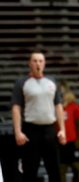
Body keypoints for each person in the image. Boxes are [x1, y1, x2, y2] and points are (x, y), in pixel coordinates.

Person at [11, 51, 66, 182]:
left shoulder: (51, 82)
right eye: (35, 61)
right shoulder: (22, 83)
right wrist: (18, 132)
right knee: (30, 170)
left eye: (41, 61)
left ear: (44, 64)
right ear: (29, 63)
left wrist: (62, 130)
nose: (38, 64)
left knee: (55, 170)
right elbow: (16, 108)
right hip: (31, 130)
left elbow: (58, 106)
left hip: (49, 129)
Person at [59, 81, 79, 182]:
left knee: (77, 168)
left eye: (63, 91)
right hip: (60, 143)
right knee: (61, 170)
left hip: (73, 143)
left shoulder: (74, 107)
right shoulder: (55, 107)